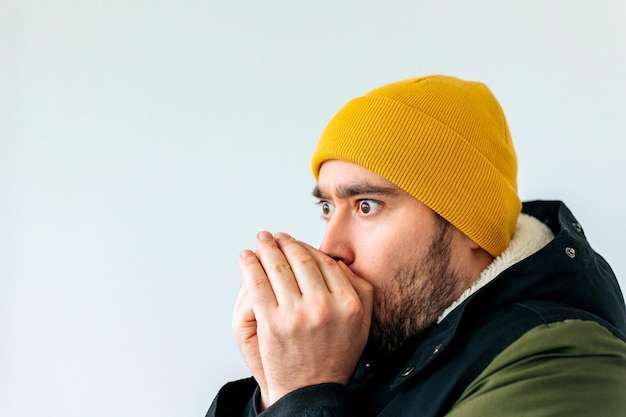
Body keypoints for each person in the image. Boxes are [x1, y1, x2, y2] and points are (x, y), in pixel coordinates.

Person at [206, 75, 626, 417]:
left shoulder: (560, 361)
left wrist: (304, 395)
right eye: (328, 208)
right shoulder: (394, 347)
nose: (330, 247)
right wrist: (273, 390)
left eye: (366, 205)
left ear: (469, 225)